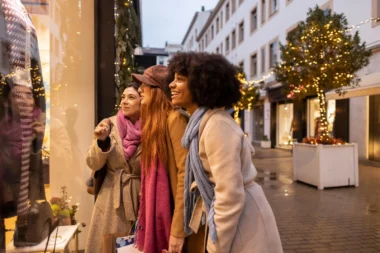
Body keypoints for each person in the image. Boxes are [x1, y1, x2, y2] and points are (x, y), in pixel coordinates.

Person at [167, 52, 283, 253]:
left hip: (245, 226)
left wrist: (214, 248)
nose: (171, 84)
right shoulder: (204, 123)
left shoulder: (216, 125)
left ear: (200, 85)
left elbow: (229, 195)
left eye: (180, 79)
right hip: (239, 221)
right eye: (174, 78)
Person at [132, 65, 188, 253]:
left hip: (174, 218)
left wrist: (178, 230)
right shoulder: (155, 126)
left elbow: (185, 176)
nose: (139, 89)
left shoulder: (175, 120)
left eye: (145, 85)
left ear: (157, 91)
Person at [85, 82, 142, 253]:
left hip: (140, 197)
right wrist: (102, 142)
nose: (125, 101)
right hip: (111, 199)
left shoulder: (152, 127)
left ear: (142, 101)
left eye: (131, 97)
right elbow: (93, 163)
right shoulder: (108, 125)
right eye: (123, 97)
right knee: (108, 245)